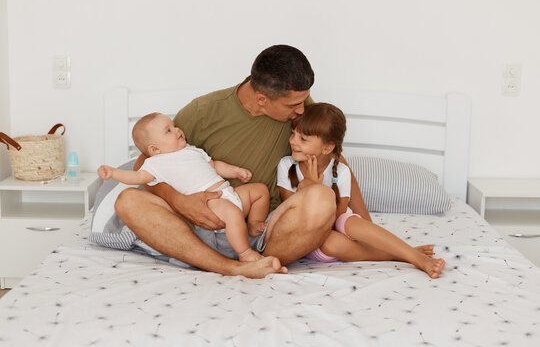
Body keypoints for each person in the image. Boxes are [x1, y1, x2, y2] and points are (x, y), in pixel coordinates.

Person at [114, 44, 361, 278]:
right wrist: (178, 200)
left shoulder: (300, 107)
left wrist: (362, 225)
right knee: (128, 200)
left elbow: (334, 158)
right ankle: (230, 268)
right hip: (199, 224)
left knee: (322, 199)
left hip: (266, 231)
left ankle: (255, 259)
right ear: (263, 99)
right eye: (294, 105)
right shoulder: (202, 112)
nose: (301, 110)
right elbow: (145, 165)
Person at [276, 102, 446, 278]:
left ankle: (415, 257)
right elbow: (291, 214)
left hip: (340, 226)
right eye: (293, 134)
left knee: (351, 222)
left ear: (327, 147)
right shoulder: (287, 165)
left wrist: (317, 188)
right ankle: (403, 254)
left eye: (303, 139)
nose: (292, 141)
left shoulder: (340, 170)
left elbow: (337, 217)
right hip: (313, 236)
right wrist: (310, 185)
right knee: (330, 243)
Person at [98, 112, 269, 262]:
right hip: (210, 203)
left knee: (260, 191)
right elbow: (136, 176)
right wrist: (113, 173)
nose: (177, 130)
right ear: (155, 149)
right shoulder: (156, 164)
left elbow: (214, 165)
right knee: (233, 214)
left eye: (174, 126)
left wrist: (236, 171)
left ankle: (253, 224)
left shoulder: (193, 150)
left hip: (228, 193)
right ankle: (245, 253)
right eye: (168, 130)